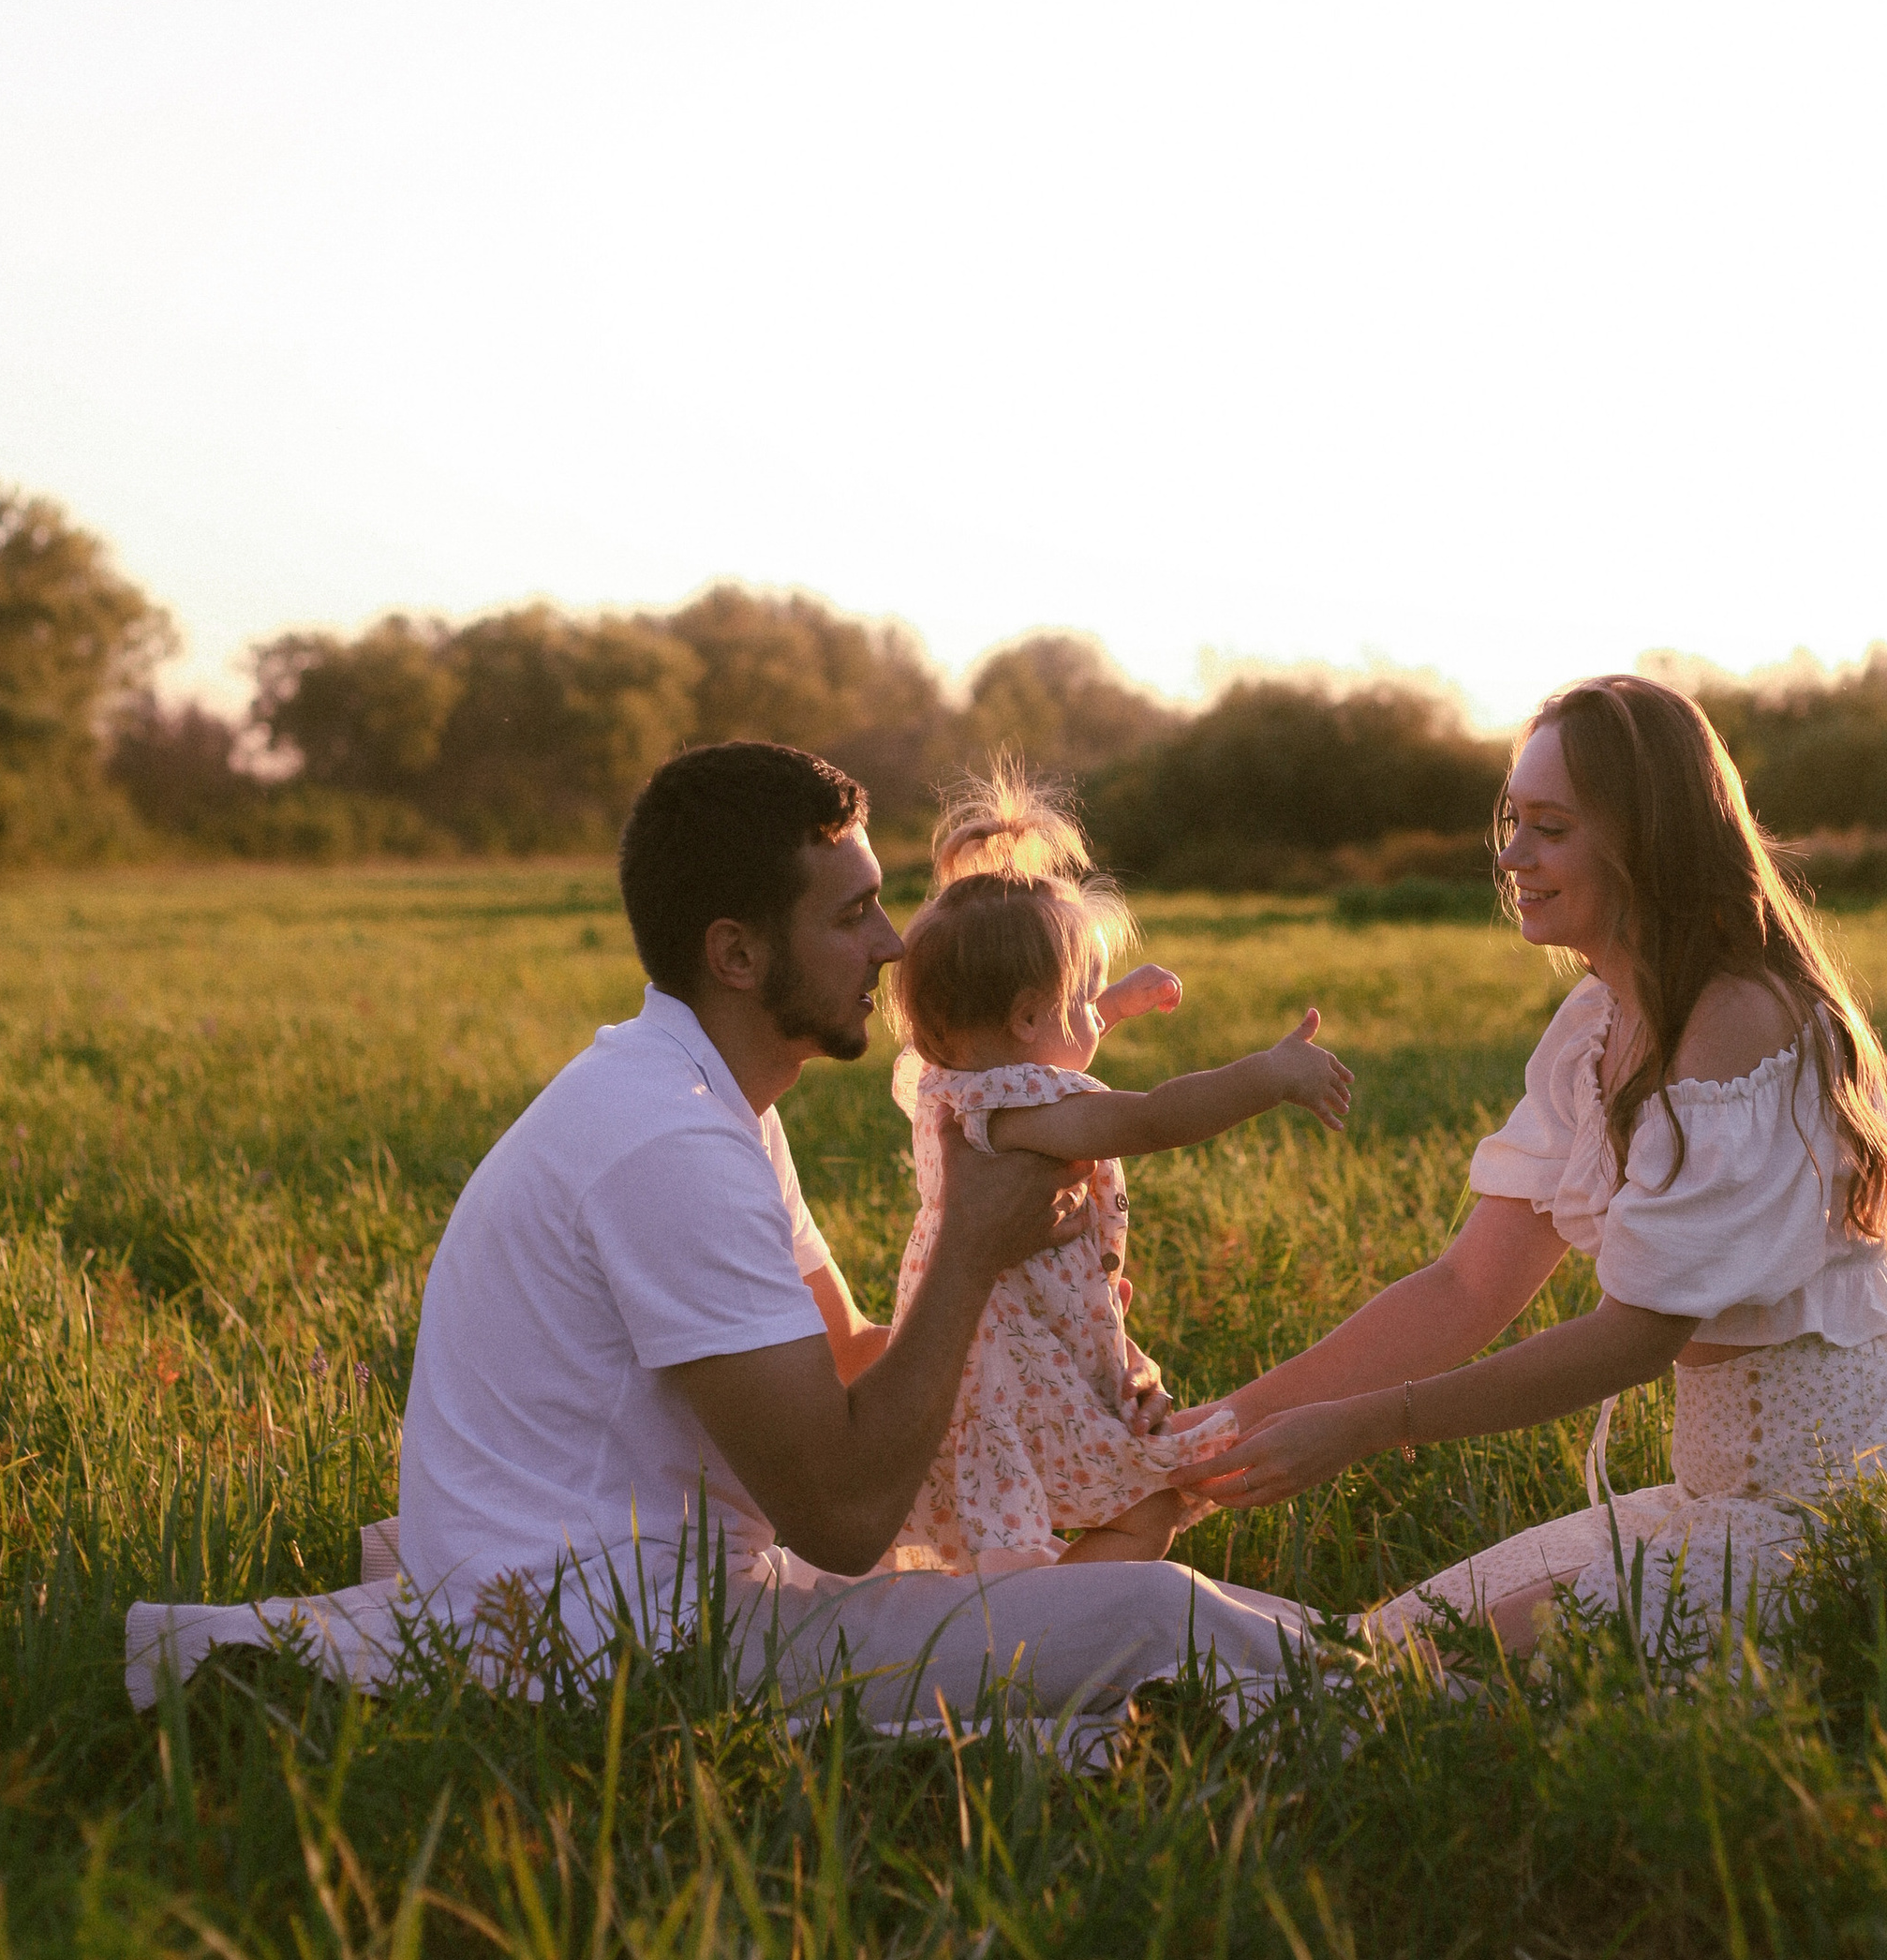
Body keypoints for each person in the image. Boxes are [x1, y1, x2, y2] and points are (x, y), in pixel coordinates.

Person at [394, 740, 1315, 1729]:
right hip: (603, 1641)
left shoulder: (711, 1102)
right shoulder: (667, 1144)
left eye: (880, 901)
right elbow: (842, 1519)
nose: (890, 945)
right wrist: (969, 1251)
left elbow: (846, 1364)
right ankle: (1415, 1698)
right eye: (850, 915)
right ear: (736, 954)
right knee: (1154, 1612)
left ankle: (1360, 1658)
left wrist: (1071, 1387)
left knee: (1206, 1610)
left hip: (662, 1593)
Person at [1188, 677, 1887, 1652]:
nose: (1511, 854)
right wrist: (1212, 1436)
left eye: (1551, 828)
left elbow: (1633, 1340)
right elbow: (1463, 1287)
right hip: (1715, 1499)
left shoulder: (1740, 1021)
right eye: (1513, 820)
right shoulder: (1594, 1026)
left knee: (1438, 1671)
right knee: (1380, 1642)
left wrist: (1361, 1426)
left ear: (1646, 841)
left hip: (1846, 1512)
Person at [884, 766, 1351, 1571]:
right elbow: (1151, 1117)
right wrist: (1268, 1076)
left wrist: (1110, 1004)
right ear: (1030, 1015)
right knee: (1138, 1508)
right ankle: (1051, 1634)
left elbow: (1038, 1035)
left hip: (1002, 1354)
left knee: (1032, 1522)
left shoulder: (949, 1080)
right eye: (1084, 998)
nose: (1093, 1016)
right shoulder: (1033, 1107)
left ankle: (1029, 1618)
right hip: (1008, 1375)